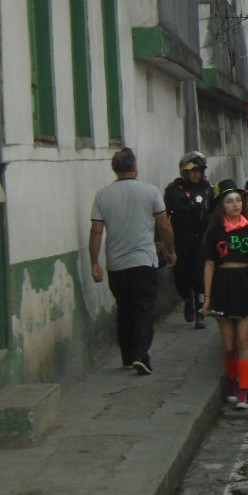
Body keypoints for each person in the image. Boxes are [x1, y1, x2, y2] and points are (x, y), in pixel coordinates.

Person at [90, 148, 176, 376]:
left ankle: (128, 356)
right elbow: (164, 225)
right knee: (143, 309)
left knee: (125, 308)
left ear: (114, 169)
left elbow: (96, 231)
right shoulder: (151, 192)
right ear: (135, 167)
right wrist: (171, 250)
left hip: (116, 264)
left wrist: (94, 263)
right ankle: (141, 356)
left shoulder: (102, 195)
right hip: (143, 262)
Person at [202, 180, 248, 409]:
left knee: (243, 340)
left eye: (239, 200)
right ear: (221, 205)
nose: (236, 204)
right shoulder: (214, 232)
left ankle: (244, 390)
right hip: (223, 285)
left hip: (247, 283)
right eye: (230, 201)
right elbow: (209, 264)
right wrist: (207, 298)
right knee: (228, 346)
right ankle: (231, 381)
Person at [164, 151, 212, 328]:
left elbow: (214, 214)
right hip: (180, 240)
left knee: (200, 276)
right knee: (181, 277)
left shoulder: (207, 189)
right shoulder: (173, 191)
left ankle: (200, 310)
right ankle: (187, 299)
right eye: (192, 171)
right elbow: (164, 217)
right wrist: (163, 242)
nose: (196, 174)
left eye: (199, 171)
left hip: (200, 240)